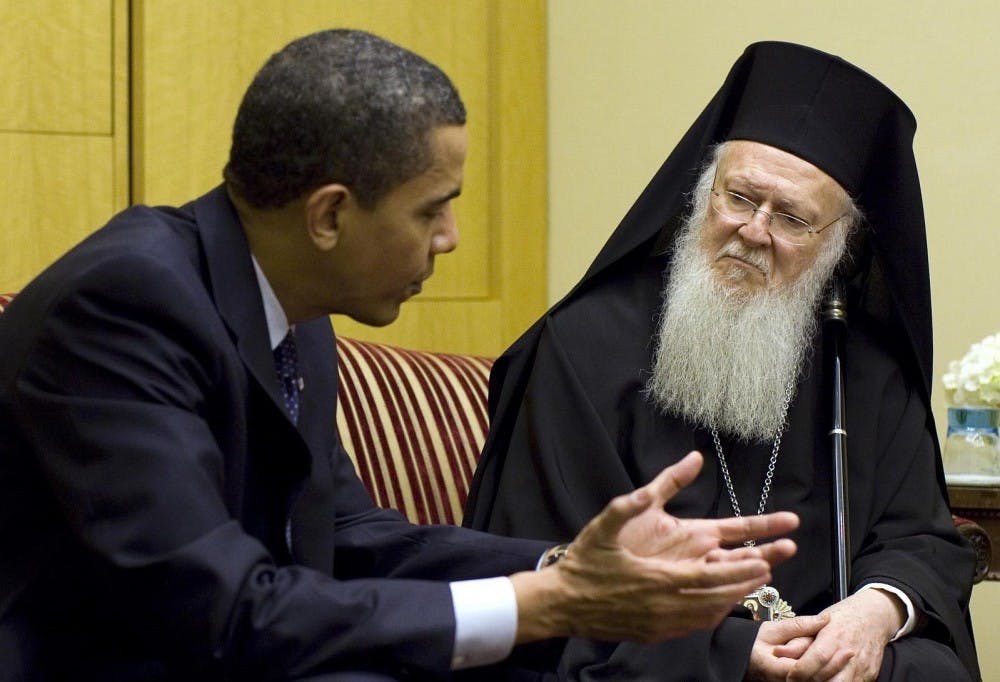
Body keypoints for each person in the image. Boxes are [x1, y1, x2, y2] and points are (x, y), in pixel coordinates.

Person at [0, 30, 802, 681]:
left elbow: (346, 533)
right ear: (330, 217)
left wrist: (568, 562)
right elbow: (224, 613)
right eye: (433, 209)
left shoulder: (288, 302)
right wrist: (551, 601)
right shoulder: (126, 305)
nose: (451, 238)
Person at [465, 41, 980, 681]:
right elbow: (543, 564)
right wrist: (731, 654)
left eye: (792, 217)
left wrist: (874, 612)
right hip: (660, 654)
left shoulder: (861, 365)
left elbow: (920, 537)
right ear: (703, 192)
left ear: (838, 246)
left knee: (928, 670)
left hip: (828, 653)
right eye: (739, 197)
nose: (755, 229)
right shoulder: (582, 345)